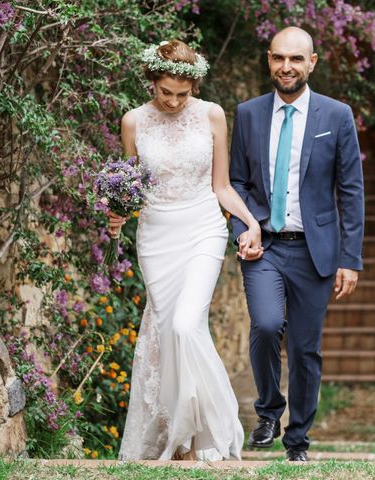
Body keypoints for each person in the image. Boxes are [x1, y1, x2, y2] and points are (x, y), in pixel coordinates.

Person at [112, 40, 263, 461]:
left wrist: (250, 222)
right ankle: (181, 442)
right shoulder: (133, 122)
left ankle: (208, 429)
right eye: (166, 93)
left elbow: (222, 185)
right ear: (152, 83)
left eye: (183, 93)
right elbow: (132, 188)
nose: (175, 101)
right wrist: (118, 211)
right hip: (157, 236)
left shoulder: (212, 114)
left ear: (194, 86)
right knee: (167, 332)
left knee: (184, 324)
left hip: (203, 228)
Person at [229, 27, 364, 462]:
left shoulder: (337, 115)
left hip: (315, 251)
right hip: (264, 246)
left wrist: (350, 259)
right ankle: (268, 410)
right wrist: (244, 228)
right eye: (278, 58)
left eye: (296, 59)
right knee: (267, 326)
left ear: (312, 62)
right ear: (269, 60)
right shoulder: (247, 114)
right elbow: (236, 182)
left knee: (306, 348)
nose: (286, 67)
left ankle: (298, 441)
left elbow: (351, 190)